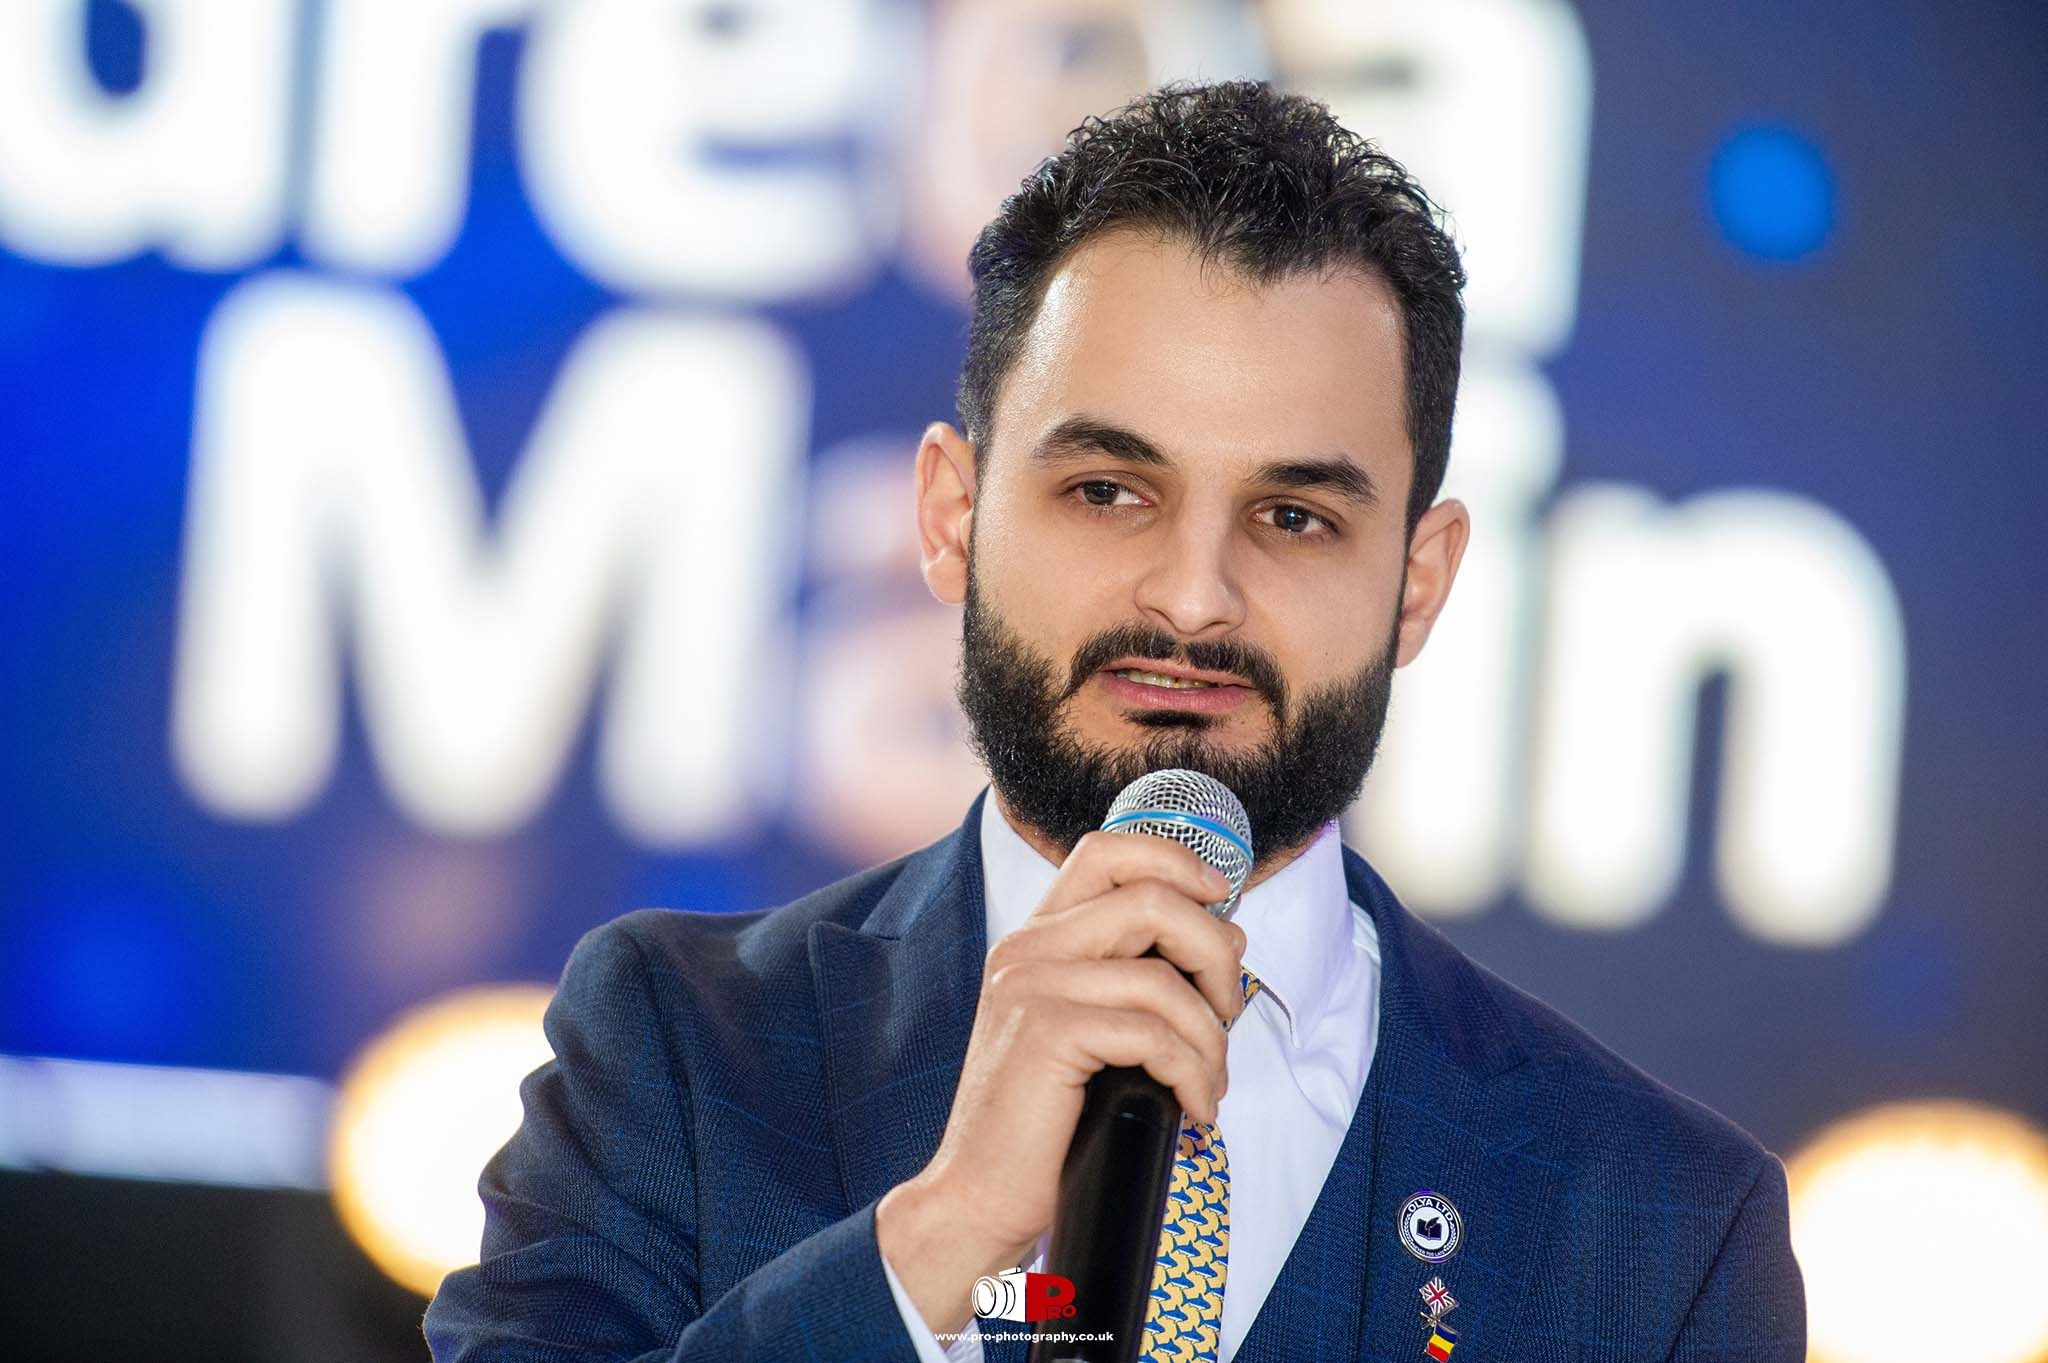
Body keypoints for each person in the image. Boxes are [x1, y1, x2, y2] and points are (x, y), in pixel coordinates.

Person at [424, 80, 1804, 1363]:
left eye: (1294, 518)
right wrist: (941, 1236)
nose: (1195, 598)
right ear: (953, 517)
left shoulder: (1663, 1224)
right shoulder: (678, 1051)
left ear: (1418, 583)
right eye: (1109, 490)